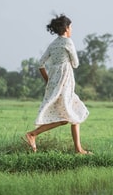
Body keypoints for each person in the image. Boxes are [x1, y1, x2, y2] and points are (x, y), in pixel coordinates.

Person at [24, 14, 91, 154]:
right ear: (66, 28)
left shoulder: (53, 44)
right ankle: (32, 134)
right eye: (71, 27)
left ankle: (78, 149)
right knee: (68, 116)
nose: (72, 29)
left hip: (55, 81)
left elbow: (40, 64)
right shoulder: (68, 42)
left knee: (72, 114)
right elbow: (76, 64)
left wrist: (48, 80)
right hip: (64, 82)